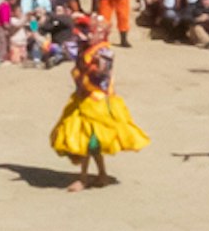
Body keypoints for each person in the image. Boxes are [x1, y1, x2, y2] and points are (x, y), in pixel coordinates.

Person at [49, 30, 149, 191]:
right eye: (88, 32)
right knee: (88, 140)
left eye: (92, 33)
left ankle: (83, 178)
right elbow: (64, 49)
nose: (88, 36)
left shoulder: (104, 51)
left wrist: (96, 64)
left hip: (98, 103)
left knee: (89, 140)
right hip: (82, 100)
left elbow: (103, 72)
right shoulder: (81, 48)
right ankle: (101, 175)